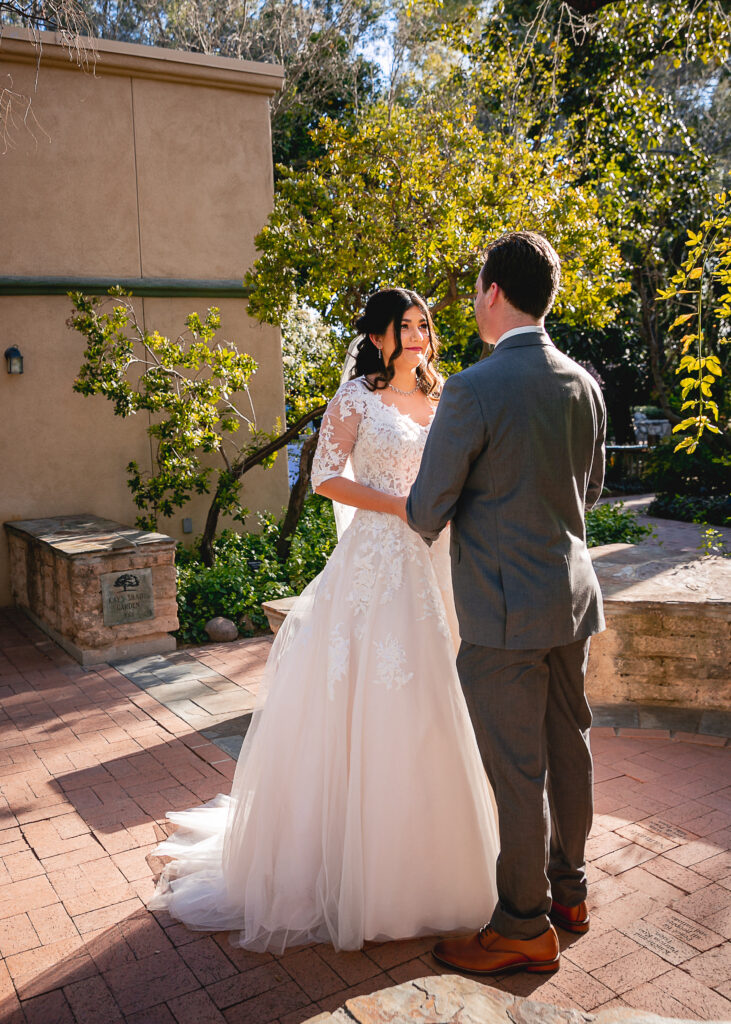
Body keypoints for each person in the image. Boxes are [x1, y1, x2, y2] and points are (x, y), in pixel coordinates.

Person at [149, 288, 499, 952]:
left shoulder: (447, 395)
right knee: (382, 701)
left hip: (442, 563)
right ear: (377, 338)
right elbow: (326, 478)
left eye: (424, 324)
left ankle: (445, 853)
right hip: (378, 563)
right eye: (405, 326)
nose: (419, 336)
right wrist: (402, 506)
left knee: (443, 701)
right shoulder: (355, 401)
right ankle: (361, 869)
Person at [407, 231, 606, 976]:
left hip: (501, 613)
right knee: (569, 748)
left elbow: (428, 509)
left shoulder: (471, 388)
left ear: (492, 292)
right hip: (571, 598)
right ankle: (571, 894)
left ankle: (521, 925)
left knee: (516, 770)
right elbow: (585, 494)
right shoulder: (582, 383)